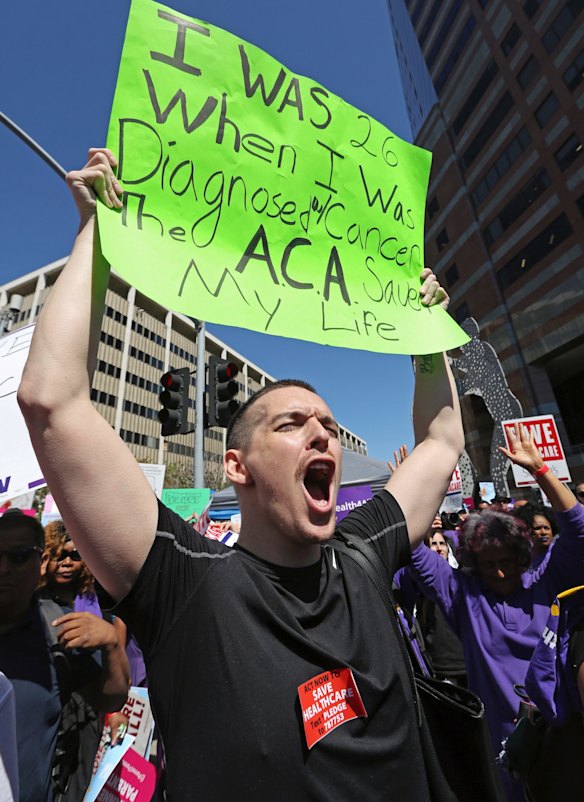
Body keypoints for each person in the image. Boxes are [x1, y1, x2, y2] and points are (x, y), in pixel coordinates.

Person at [18, 148, 464, 800]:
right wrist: (95, 235)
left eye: (330, 428)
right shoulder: (184, 584)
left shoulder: (364, 554)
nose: (323, 434)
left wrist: (428, 338)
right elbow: (52, 402)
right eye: (292, 424)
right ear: (237, 465)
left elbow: (442, 437)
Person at [406, 423, 584, 802]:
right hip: (506, 756)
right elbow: (415, 549)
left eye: (507, 560)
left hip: (568, 745)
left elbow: (579, 530)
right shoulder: (462, 595)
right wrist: (411, 489)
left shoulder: (546, 580)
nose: (500, 572)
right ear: (472, 562)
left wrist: (541, 470)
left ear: (523, 556)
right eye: (489, 564)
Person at [0, 510, 129, 802]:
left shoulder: (58, 631)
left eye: (18, 556)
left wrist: (111, 646)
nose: (3, 568)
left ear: (42, 561)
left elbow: (112, 698)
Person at [513, 503, 558, 571]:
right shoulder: (522, 560)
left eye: (546, 528)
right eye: (538, 528)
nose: (543, 532)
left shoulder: (560, 553)